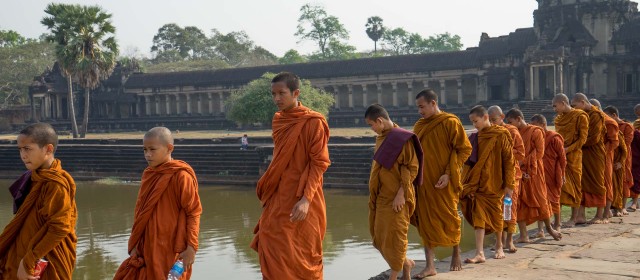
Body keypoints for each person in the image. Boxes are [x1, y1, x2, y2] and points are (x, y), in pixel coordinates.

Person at [250, 72, 330, 280]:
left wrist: (306, 199)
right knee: (269, 241)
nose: (277, 99)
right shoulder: (279, 120)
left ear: (296, 93)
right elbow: (281, 159)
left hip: (303, 195)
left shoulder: (313, 122)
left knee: (302, 251)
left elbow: (319, 163)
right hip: (279, 193)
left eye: (282, 93)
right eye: (273, 94)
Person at [114, 127, 202, 279]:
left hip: (170, 249)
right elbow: (140, 210)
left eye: (152, 149)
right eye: (144, 150)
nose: (147, 154)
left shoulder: (181, 176)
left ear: (169, 148)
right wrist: (134, 243)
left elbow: (193, 212)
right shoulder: (149, 173)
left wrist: (191, 247)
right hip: (146, 246)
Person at [0, 123, 77, 280]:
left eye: (27, 149)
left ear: (48, 149)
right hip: (24, 252)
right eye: (20, 149)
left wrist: (29, 260)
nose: (23, 155)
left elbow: (59, 228)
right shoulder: (33, 177)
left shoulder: (55, 183)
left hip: (44, 259)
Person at [411, 89, 471, 277]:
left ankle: (456, 252)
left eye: (422, 107)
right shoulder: (419, 125)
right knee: (426, 222)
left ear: (433, 103)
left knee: (450, 216)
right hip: (423, 182)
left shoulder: (450, 122)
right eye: (418, 108)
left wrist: (448, 174)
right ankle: (430, 265)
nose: (420, 111)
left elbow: (464, 150)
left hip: (444, 181)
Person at [365, 104, 422, 280]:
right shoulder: (382, 137)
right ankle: (406, 263)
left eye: (371, 125)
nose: (372, 129)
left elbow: (411, 168)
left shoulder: (402, 138)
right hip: (381, 196)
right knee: (379, 238)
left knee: (396, 236)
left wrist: (401, 195)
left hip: (398, 197)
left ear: (379, 121)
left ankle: (394, 275)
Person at [460, 105, 515, 263]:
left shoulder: (501, 134)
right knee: (479, 217)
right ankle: (480, 253)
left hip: (495, 182)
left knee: (497, 215)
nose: (474, 125)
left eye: (475, 121)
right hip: (478, 184)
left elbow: (509, 161)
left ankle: (499, 246)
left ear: (485, 118)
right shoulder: (476, 137)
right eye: (472, 122)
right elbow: (469, 162)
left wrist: (509, 185)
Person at [505, 109, 561, 242]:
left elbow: (540, 153)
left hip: (534, 172)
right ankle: (523, 235)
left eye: (511, 122)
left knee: (541, 200)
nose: (509, 125)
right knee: (520, 203)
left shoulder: (535, 131)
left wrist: (522, 161)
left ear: (519, 119)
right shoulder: (514, 133)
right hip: (519, 172)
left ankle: (549, 229)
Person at [488, 105, 525, 252]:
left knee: (509, 208)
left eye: (494, 120)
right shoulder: (490, 132)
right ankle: (499, 242)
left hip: (511, 176)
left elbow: (521, 154)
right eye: (490, 120)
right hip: (495, 176)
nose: (492, 123)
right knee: (497, 209)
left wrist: (504, 153)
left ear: (502, 117)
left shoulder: (512, 131)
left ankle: (509, 241)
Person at [552, 94, 588, 227]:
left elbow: (582, 139)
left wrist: (568, 149)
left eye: (555, 106)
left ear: (562, 103)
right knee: (559, 186)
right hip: (560, 157)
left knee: (575, 187)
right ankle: (557, 220)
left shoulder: (580, 116)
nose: (554, 109)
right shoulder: (558, 119)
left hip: (574, 157)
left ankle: (573, 218)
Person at [571, 93, 607, 224]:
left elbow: (594, 138)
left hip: (594, 153)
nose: (574, 109)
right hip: (582, 153)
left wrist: (576, 142)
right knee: (580, 183)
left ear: (582, 102)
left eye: (575, 106)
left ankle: (599, 215)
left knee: (597, 182)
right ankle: (581, 215)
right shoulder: (579, 115)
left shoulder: (596, 115)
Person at [530, 114, 566, 232]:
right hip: (539, 172)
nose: (534, 129)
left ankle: (557, 224)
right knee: (540, 200)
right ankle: (540, 229)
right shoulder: (535, 137)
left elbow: (562, 158)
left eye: (536, 126)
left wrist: (563, 174)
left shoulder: (554, 138)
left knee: (554, 199)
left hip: (552, 173)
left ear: (543, 125)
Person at [590, 99, 619, 222]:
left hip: (604, 156)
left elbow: (614, 141)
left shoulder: (608, 122)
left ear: (596, 107)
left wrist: (602, 151)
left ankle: (605, 214)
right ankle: (599, 213)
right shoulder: (592, 120)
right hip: (593, 156)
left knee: (606, 183)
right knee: (597, 184)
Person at [602, 106, 634, 216]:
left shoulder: (627, 126)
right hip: (610, 156)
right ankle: (613, 207)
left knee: (623, 181)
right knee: (612, 182)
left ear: (614, 115)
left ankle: (622, 207)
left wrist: (621, 161)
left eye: (607, 116)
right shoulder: (608, 126)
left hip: (623, 157)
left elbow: (626, 145)